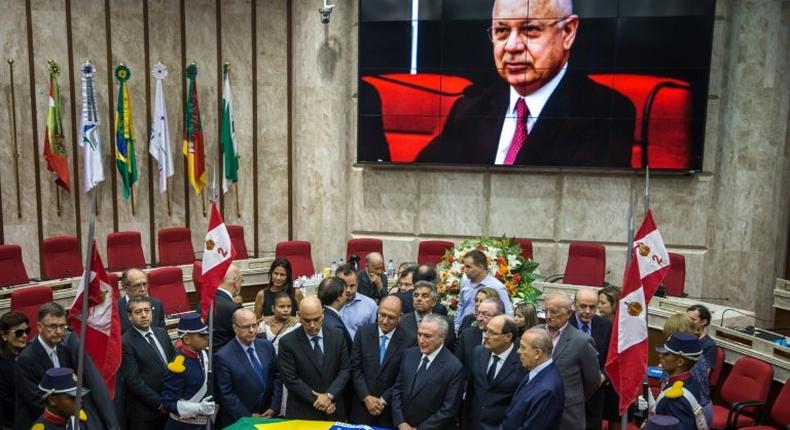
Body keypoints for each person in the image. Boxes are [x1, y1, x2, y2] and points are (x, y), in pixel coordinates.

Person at [416, 0, 635, 167]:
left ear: (568, 33)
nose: (512, 46)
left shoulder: (605, 112)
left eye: (529, 30)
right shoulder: (471, 109)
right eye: (501, 31)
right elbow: (421, 181)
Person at [14, 302, 117, 430]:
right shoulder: (26, 359)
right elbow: (37, 401)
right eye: (52, 326)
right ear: (39, 327)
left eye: (62, 326)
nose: (58, 331)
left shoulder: (64, 350)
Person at [277, 297, 351, 421]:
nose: (312, 325)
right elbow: (291, 379)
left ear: (323, 314)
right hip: (303, 413)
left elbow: (345, 369)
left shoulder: (337, 336)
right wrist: (321, 401)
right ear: (299, 316)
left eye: (316, 319)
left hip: (334, 409)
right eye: (307, 320)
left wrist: (329, 396)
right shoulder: (287, 342)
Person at [349, 296, 416, 428]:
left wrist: (383, 400)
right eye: (382, 315)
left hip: (389, 410)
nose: (385, 321)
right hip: (361, 407)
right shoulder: (363, 332)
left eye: (390, 317)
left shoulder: (410, 340)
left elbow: (403, 377)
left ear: (400, 317)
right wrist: (366, 397)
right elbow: (355, 368)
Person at [539, 292, 601, 430]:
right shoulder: (534, 334)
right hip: (536, 411)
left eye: (554, 312)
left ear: (568, 313)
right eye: (546, 311)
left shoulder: (582, 341)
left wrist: (573, 397)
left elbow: (593, 381)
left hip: (567, 414)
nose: (548, 316)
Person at [391, 314, 465, 430]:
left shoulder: (454, 367)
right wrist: (400, 422)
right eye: (419, 334)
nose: (421, 340)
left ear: (442, 337)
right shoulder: (409, 354)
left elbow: (448, 409)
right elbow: (397, 389)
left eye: (427, 336)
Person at [214, 308, 281, 427]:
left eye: (254, 325)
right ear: (235, 328)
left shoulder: (266, 346)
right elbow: (226, 394)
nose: (252, 330)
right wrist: (248, 416)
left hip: (269, 415)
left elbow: (277, 377)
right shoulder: (223, 356)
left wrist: (273, 407)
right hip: (241, 421)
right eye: (246, 327)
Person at [120, 296, 178, 430]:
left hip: (172, 403)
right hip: (147, 413)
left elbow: (174, 362)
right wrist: (159, 403)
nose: (144, 315)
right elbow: (134, 381)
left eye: (147, 310)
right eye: (138, 312)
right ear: (130, 316)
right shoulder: (126, 342)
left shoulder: (161, 333)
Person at [465, 315, 526, 430]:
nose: (486, 336)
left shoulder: (522, 362)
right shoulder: (478, 353)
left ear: (508, 337)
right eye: (486, 330)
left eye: (492, 333)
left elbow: (519, 405)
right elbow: (470, 392)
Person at [160, 313, 216, 429]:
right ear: (187, 339)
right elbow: (168, 402)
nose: (207, 338)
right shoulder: (178, 365)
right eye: (201, 335)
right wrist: (198, 408)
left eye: (206, 334)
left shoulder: (205, 355)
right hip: (184, 425)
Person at [500, 328, 565, 430]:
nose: (518, 351)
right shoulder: (536, 371)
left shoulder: (547, 390)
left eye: (523, 347)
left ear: (537, 353)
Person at [570, 288, 613, 430]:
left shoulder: (605, 326)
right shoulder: (565, 324)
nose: (588, 311)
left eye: (592, 307)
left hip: (595, 394)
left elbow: (611, 358)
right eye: (583, 306)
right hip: (569, 393)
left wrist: (603, 375)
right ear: (574, 305)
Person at [661, 313, 712, 426]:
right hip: (704, 408)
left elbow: (666, 391)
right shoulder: (695, 352)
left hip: (687, 410)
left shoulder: (677, 358)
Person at [649, 333, 707, 430]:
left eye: (666, 354)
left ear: (679, 362)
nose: (660, 356)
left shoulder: (675, 398)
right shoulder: (689, 381)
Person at [454, 250, 513, 332]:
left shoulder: (497, 287)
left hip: (486, 331)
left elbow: (508, 314)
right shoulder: (465, 282)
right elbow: (461, 306)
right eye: (464, 266)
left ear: (481, 267)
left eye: (468, 267)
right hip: (463, 329)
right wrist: (456, 326)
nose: (465, 270)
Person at [399, 281, 456, 351]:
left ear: (434, 302)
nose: (419, 299)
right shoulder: (402, 321)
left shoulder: (447, 323)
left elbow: (450, 350)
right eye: (416, 295)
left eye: (425, 296)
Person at [456, 297, 504, 367]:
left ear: (499, 316)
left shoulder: (506, 338)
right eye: (478, 313)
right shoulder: (467, 335)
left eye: (485, 314)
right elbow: (458, 365)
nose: (479, 318)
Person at [0, 311, 29, 430]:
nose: (25, 336)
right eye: (19, 332)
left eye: (26, 331)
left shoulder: (29, 354)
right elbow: (4, 401)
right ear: (4, 336)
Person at [117, 268, 166, 334]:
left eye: (145, 284)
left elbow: (162, 333)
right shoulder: (115, 309)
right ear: (125, 287)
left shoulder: (157, 304)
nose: (143, 289)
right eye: (137, 285)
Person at [336, 265, 378, 339]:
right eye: (345, 286)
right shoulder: (329, 304)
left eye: (352, 286)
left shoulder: (370, 305)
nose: (348, 290)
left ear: (357, 283)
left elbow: (374, 334)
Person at [208, 264, 243, 351]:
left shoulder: (203, 302)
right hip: (230, 358)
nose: (241, 284)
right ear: (235, 281)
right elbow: (246, 336)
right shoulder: (234, 309)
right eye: (241, 281)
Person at [317, 276, 352, 348]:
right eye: (345, 293)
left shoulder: (323, 316)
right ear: (339, 297)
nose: (347, 295)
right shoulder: (334, 327)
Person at [687, 305, 717, 372]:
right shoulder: (681, 336)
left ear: (703, 322)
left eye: (692, 319)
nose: (688, 322)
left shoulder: (709, 345)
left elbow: (704, 373)